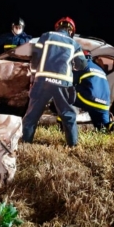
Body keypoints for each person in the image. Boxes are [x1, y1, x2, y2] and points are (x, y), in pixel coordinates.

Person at [22, 17, 87, 147]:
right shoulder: (74, 44)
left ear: (58, 27)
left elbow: (35, 58)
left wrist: (35, 76)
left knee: (32, 115)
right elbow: (82, 64)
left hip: (42, 81)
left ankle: (26, 143)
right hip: (62, 84)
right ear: (71, 31)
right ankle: (72, 146)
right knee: (68, 115)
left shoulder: (46, 36)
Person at [49, 51, 114, 134]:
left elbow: (69, 82)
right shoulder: (100, 69)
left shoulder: (81, 66)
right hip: (104, 105)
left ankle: (63, 125)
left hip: (89, 99)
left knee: (63, 97)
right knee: (103, 126)